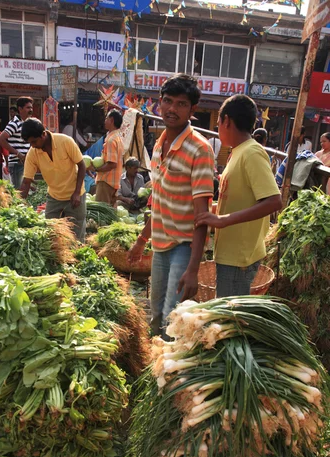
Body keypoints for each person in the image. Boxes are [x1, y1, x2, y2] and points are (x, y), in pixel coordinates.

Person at [129, 74, 215, 338]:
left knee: (171, 315)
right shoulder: (158, 145)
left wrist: (193, 268)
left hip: (184, 246)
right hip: (161, 243)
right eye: (167, 101)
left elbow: (202, 215)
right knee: (155, 311)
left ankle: (168, 371)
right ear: (159, 103)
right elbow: (158, 200)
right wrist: (142, 239)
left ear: (192, 109)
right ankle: (150, 364)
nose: (172, 109)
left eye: (181, 104)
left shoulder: (200, 149)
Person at [194, 94, 282, 297]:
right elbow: (238, 201)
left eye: (218, 122)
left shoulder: (252, 152)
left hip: (239, 258)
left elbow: (273, 200)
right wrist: (212, 211)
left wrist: (223, 220)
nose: (218, 128)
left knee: (229, 319)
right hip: (230, 255)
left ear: (226, 121)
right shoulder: (238, 152)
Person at [20, 118, 86, 242]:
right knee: (51, 235)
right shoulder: (33, 153)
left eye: (34, 141)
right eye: (30, 143)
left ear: (43, 135)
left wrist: (77, 192)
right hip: (54, 197)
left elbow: (82, 165)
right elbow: (26, 181)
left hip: (75, 195)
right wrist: (19, 202)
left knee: (77, 236)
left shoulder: (65, 141)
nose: (32, 146)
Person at [0, 97, 33, 189]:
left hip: (24, 162)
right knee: (18, 192)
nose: (30, 110)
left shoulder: (26, 123)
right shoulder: (14, 123)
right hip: (16, 163)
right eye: (28, 108)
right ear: (20, 109)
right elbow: (0, 139)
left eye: (31, 108)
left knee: (24, 190)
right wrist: (17, 153)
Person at [93, 109, 124, 206]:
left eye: (106, 118)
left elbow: (112, 164)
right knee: (110, 214)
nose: (104, 121)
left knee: (102, 214)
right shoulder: (118, 138)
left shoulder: (111, 140)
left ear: (112, 120)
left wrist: (96, 169)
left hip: (106, 181)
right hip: (114, 181)